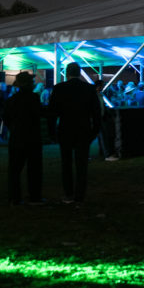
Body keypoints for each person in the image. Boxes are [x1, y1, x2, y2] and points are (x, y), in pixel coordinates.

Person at [49, 63, 101, 203]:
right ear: (79, 73)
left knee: (66, 163)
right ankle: (80, 195)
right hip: (83, 130)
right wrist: (95, 131)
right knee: (82, 164)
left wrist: (52, 132)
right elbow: (96, 113)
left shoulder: (59, 88)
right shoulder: (89, 89)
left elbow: (52, 113)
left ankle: (68, 193)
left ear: (67, 73)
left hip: (65, 129)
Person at [3, 72, 44, 205]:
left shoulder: (11, 100)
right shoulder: (34, 99)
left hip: (16, 138)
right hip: (33, 138)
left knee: (14, 170)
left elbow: (6, 118)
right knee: (34, 169)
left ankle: (14, 197)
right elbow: (40, 115)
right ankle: (34, 196)